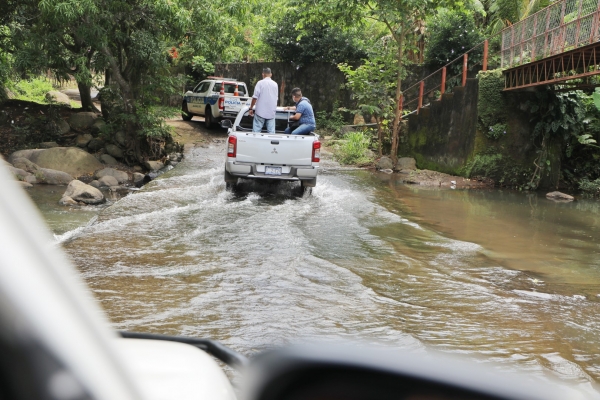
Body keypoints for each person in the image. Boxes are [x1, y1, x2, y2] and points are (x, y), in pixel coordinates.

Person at [248, 67, 278, 133]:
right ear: (271, 74)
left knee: (256, 132)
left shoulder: (260, 83)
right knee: (271, 133)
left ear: (263, 74)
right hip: (271, 113)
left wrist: (251, 108)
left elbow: (255, 97)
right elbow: (276, 98)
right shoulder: (275, 84)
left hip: (260, 112)